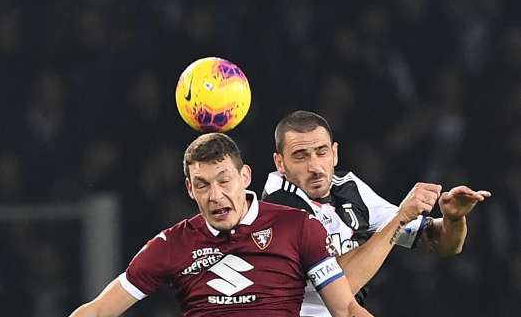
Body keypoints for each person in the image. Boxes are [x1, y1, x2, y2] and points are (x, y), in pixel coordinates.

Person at [70, 133, 372, 317]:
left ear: (245, 177)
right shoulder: (170, 245)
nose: (215, 196)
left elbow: (346, 309)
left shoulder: (298, 227)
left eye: (224, 180)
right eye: (202, 185)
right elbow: (97, 310)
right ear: (190, 189)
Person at [262, 110, 491, 317]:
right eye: (301, 156)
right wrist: (400, 218)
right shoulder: (278, 207)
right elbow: (338, 290)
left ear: (335, 153)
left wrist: (453, 218)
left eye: (321, 152)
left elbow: (441, 243)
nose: (316, 167)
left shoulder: (347, 187)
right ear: (280, 163)